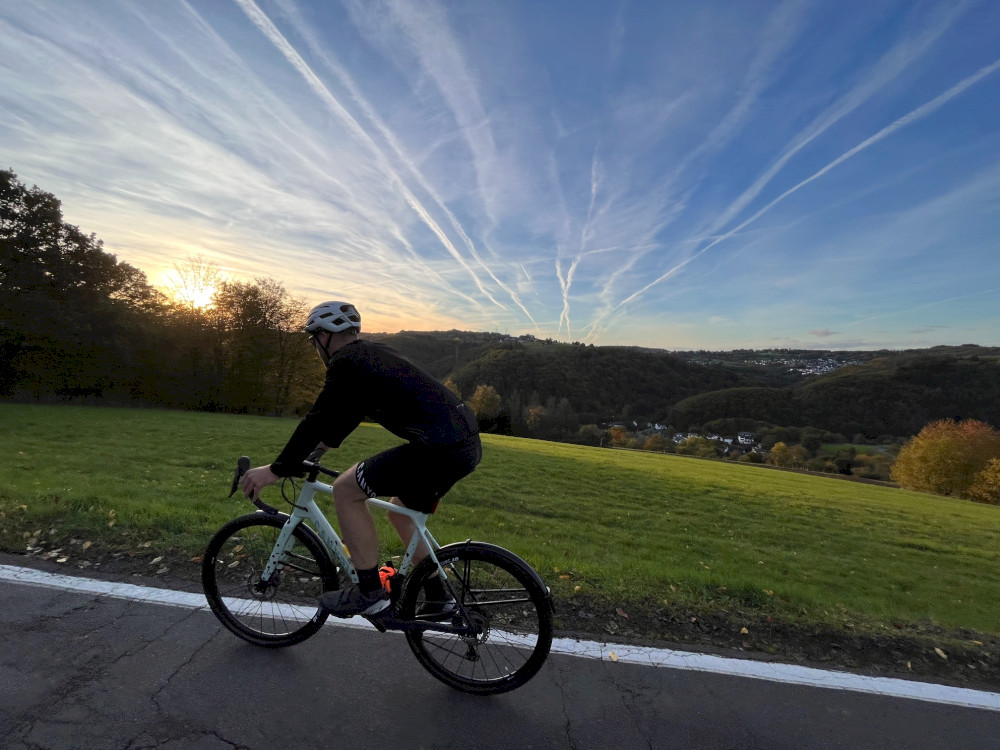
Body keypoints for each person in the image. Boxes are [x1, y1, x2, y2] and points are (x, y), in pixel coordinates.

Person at [239, 300, 481, 618]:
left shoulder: (346, 362)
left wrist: (275, 469)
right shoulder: (367, 355)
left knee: (346, 489)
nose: (314, 347)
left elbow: (316, 419)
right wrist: (318, 450)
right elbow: (347, 414)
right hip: (462, 445)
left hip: (439, 449)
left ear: (325, 336)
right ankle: (438, 597)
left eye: (314, 340)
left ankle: (370, 592)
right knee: (401, 512)